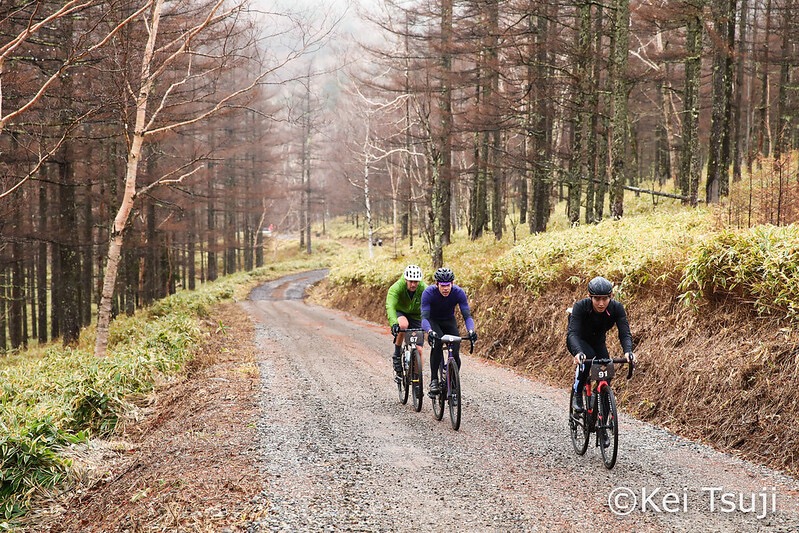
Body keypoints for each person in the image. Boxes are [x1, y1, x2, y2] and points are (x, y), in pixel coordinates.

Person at [567, 276, 635, 412]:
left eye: (605, 298)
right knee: (589, 358)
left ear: (611, 296)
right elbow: (572, 334)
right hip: (579, 340)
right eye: (597, 299)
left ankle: (602, 410)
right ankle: (578, 392)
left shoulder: (616, 308)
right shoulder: (581, 307)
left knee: (606, 370)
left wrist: (628, 351)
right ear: (589, 297)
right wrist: (578, 352)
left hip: (598, 341)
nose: (601, 303)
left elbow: (624, 333)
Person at [421, 267, 477, 394]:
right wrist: (429, 331)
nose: (445, 288)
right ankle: (434, 380)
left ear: (452, 283)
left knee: (456, 350)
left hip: (448, 320)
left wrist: (471, 331)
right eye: (442, 285)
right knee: (438, 343)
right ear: (437, 284)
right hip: (433, 321)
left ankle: (452, 381)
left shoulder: (458, 292)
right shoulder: (428, 293)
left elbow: (467, 315)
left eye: (448, 285)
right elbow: (424, 318)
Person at [386, 264, 427, 382]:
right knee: (403, 325)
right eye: (410, 281)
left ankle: (416, 378)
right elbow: (390, 306)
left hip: (416, 315)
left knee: (419, 350)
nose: (413, 284)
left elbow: (431, 305)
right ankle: (397, 353)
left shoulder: (424, 288)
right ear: (405, 279)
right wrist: (394, 323)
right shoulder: (397, 287)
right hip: (400, 312)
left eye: (416, 282)